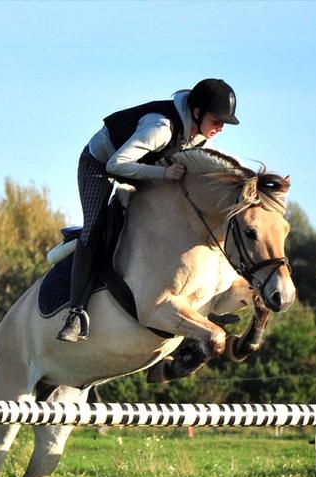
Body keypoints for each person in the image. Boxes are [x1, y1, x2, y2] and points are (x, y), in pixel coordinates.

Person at [57, 78, 240, 342]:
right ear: (197, 113)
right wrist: (163, 173)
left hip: (143, 168)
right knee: (95, 229)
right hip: (100, 165)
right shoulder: (161, 128)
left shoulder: (200, 136)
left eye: (224, 123)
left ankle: (203, 301)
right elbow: (116, 164)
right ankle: (75, 313)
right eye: (217, 120)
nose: (221, 128)